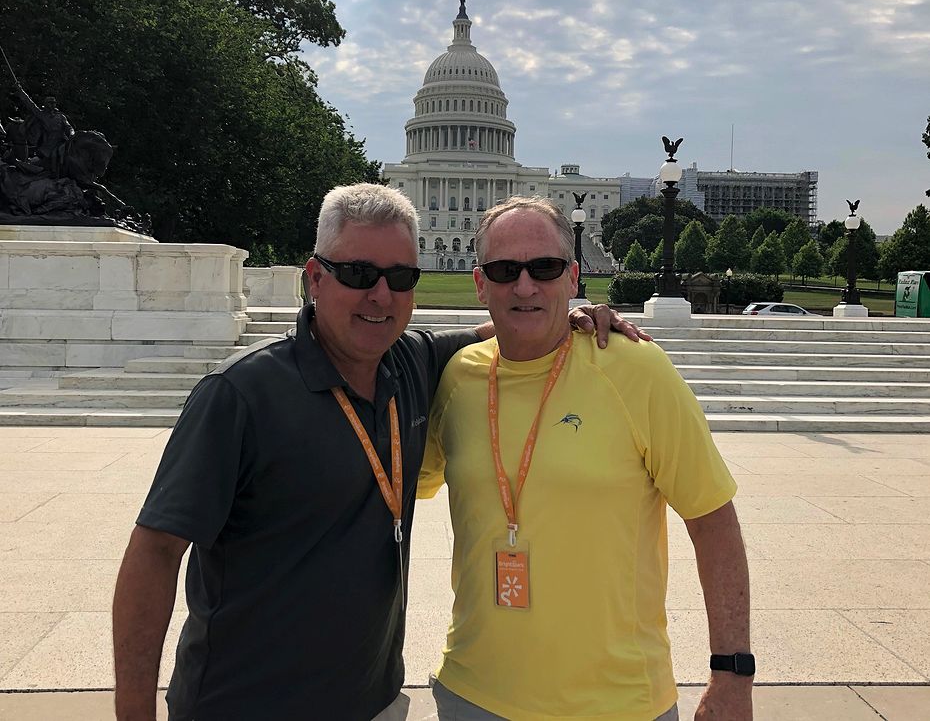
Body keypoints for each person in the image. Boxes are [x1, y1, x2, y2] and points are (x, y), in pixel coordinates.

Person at [112, 183, 644, 721]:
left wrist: (573, 316)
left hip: (375, 702)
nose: (381, 296)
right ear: (315, 277)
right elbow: (153, 553)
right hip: (244, 703)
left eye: (401, 278)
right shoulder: (241, 396)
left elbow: (508, 325)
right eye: (359, 274)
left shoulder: (410, 364)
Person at [419, 195, 753, 720]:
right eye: (505, 270)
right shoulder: (458, 379)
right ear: (480, 283)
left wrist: (732, 673)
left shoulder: (635, 370)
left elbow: (713, 519)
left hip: (617, 702)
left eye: (544, 268)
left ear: (573, 276)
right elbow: (398, 489)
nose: (525, 285)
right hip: (474, 695)